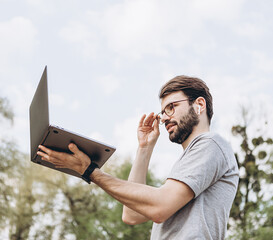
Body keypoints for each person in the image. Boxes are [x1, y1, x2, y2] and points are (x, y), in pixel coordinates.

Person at [37, 75, 239, 239]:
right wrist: (144, 148)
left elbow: (159, 207)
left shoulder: (211, 144)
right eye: (163, 112)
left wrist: (89, 171)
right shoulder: (190, 160)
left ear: (199, 105)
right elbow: (131, 214)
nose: (165, 117)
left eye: (172, 107)